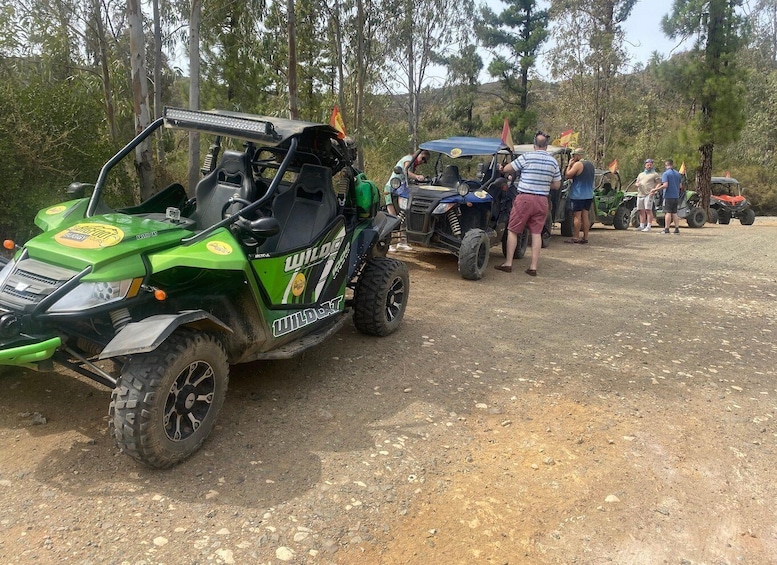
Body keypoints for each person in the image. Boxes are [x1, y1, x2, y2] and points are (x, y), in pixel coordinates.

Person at [493, 131, 562, 277]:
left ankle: (509, 263)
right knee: (536, 233)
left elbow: (507, 169)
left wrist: (502, 168)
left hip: (525, 197)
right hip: (542, 200)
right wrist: (543, 184)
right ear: (547, 146)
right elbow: (556, 185)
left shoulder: (527, 157)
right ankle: (533, 267)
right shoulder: (553, 162)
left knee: (513, 230)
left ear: (534, 144)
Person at [384, 149, 430, 251]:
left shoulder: (413, 164)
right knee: (393, 216)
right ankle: (391, 244)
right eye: (423, 159)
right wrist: (417, 176)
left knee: (403, 215)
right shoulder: (409, 159)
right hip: (391, 189)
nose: (423, 162)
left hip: (400, 190)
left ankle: (402, 242)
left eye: (425, 161)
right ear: (420, 155)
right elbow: (405, 171)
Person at [564, 148, 595, 244]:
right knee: (585, 215)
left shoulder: (578, 164)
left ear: (578, 155)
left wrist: (569, 165)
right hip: (589, 194)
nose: (573, 157)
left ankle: (576, 237)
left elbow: (567, 175)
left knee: (577, 216)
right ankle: (585, 237)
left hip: (578, 195)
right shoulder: (591, 165)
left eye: (574, 156)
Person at [652, 159, 682, 234]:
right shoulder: (678, 174)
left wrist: (656, 189)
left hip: (668, 196)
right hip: (676, 196)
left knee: (667, 212)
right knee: (674, 213)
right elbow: (680, 186)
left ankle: (666, 229)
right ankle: (677, 229)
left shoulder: (666, 174)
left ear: (666, 165)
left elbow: (665, 185)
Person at [634, 158, 661, 231]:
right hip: (640, 194)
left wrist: (654, 190)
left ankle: (648, 226)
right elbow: (636, 183)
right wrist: (637, 184)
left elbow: (659, 183)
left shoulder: (654, 174)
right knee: (640, 210)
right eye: (648, 165)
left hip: (648, 194)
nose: (649, 166)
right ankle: (641, 225)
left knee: (648, 210)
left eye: (650, 165)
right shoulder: (641, 174)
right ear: (645, 165)